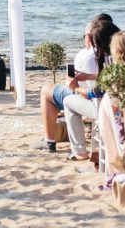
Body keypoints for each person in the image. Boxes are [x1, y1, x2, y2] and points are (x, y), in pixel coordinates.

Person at [35, 14, 113, 152]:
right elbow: (110, 77)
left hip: (96, 102)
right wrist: (89, 76)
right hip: (119, 103)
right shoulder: (121, 56)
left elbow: (89, 93)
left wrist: (74, 86)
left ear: (89, 36)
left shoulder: (86, 56)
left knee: (48, 91)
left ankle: (51, 142)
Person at [64, 20, 120, 160]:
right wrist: (88, 76)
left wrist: (75, 87)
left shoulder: (109, 61)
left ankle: (80, 152)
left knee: (68, 101)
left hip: (110, 112)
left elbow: (94, 93)